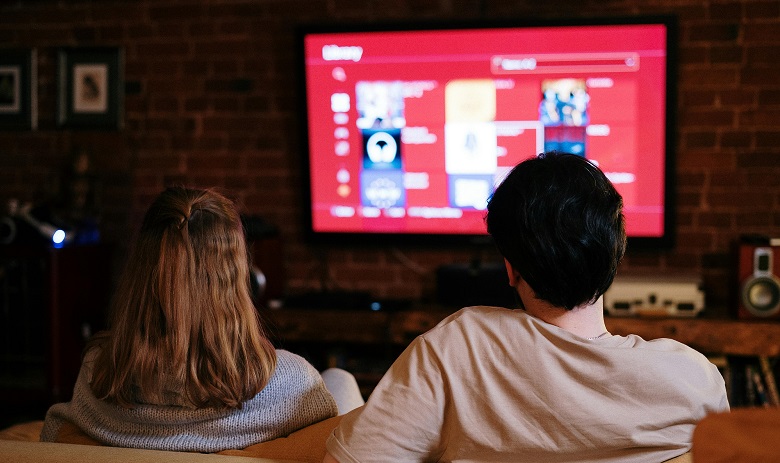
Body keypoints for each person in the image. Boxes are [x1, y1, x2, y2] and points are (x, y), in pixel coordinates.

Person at [324, 152, 729, 463]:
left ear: (511, 269)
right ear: (616, 253)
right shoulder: (697, 380)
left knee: (337, 381)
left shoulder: (459, 347)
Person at [40, 186, 362, 453]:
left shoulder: (98, 371)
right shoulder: (291, 382)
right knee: (340, 378)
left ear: (140, 275)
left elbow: (56, 431)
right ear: (237, 278)